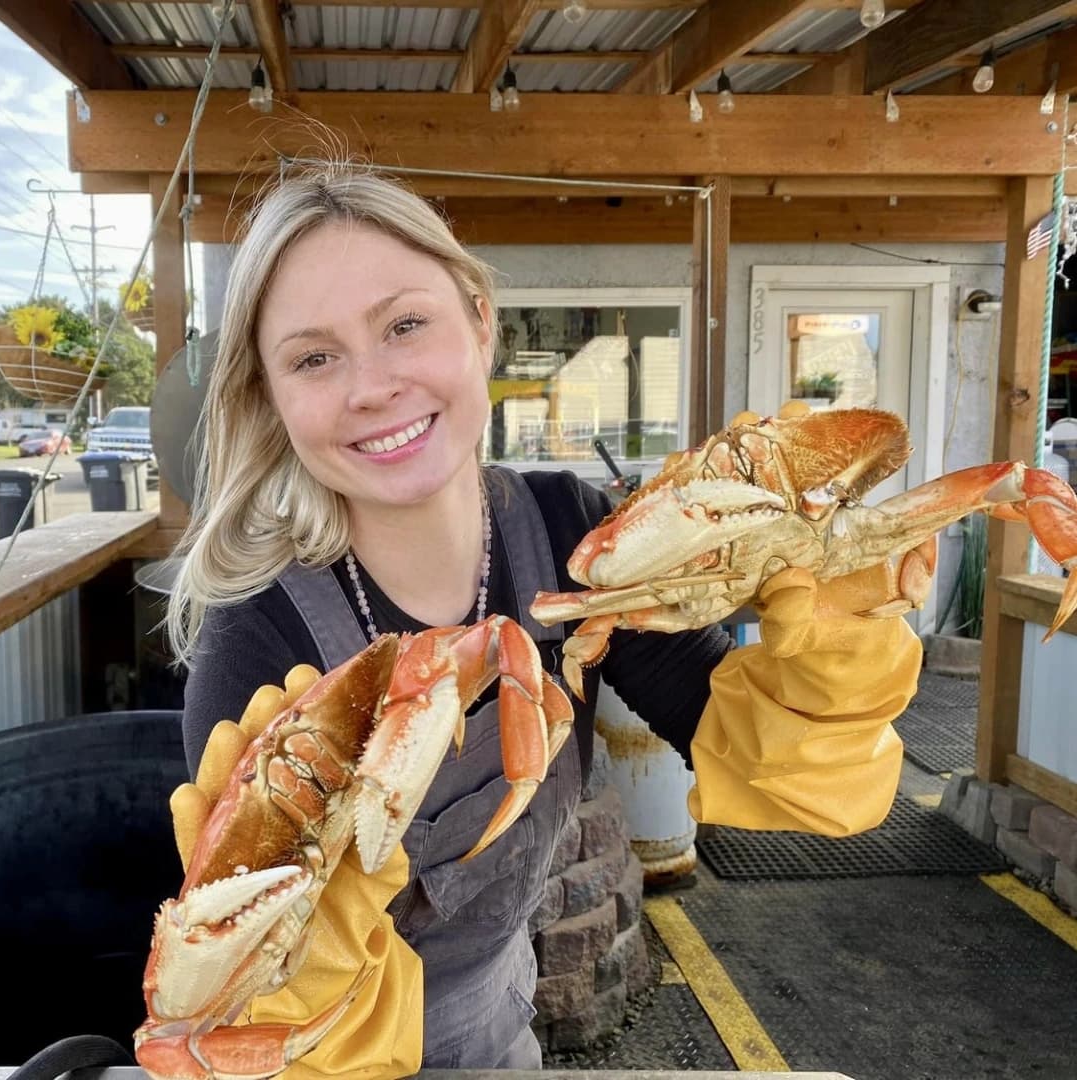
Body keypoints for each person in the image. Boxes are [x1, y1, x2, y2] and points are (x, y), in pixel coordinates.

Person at [165, 162, 923, 1078]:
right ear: (273, 399)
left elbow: (738, 730)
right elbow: (234, 987)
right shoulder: (261, 637)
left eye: (405, 324)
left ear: (480, 323)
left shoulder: (573, 533)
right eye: (314, 357)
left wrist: (828, 672)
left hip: (504, 1030)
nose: (372, 385)